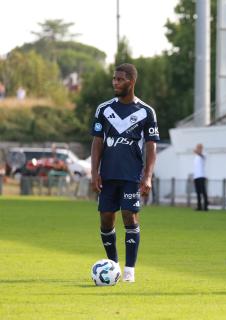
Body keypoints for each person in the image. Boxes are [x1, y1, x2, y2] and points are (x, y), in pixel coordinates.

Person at [90, 63, 160, 283]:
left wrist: (147, 176)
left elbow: (151, 146)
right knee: (106, 219)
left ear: (131, 81)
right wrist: (94, 172)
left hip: (132, 175)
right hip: (108, 175)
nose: (115, 83)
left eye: (119, 79)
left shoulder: (146, 112)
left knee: (130, 216)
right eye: (114, 79)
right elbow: (97, 142)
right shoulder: (104, 109)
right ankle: (113, 266)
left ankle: (130, 270)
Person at [193, 143, 208, 211]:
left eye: (199, 148)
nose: (198, 149)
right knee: (198, 193)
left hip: (201, 176)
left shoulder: (203, 155)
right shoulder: (196, 157)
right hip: (196, 177)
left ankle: (205, 207)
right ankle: (199, 206)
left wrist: (197, 152)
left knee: (203, 192)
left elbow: (201, 155)